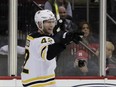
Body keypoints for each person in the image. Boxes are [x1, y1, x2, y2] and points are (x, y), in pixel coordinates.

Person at [21, 9, 83, 87]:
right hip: (38, 81)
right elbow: (49, 54)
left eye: (52, 21)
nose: (51, 25)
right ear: (40, 24)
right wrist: (64, 42)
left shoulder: (32, 36)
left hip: (38, 78)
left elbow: (54, 38)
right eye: (48, 22)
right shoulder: (39, 40)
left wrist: (66, 36)